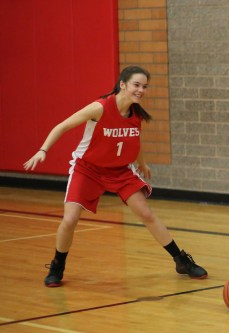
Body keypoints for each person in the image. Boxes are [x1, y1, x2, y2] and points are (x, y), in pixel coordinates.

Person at [24, 65, 208, 287]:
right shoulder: (100, 108)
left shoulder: (135, 114)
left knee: (146, 213)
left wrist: (142, 163)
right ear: (123, 85)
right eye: (136, 85)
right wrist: (43, 150)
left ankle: (181, 261)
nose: (141, 90)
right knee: (70, 219)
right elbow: (62, 126)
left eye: (145, 86)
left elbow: (133, 141)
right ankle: (57, 265)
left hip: (120, 170)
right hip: (88, 169)